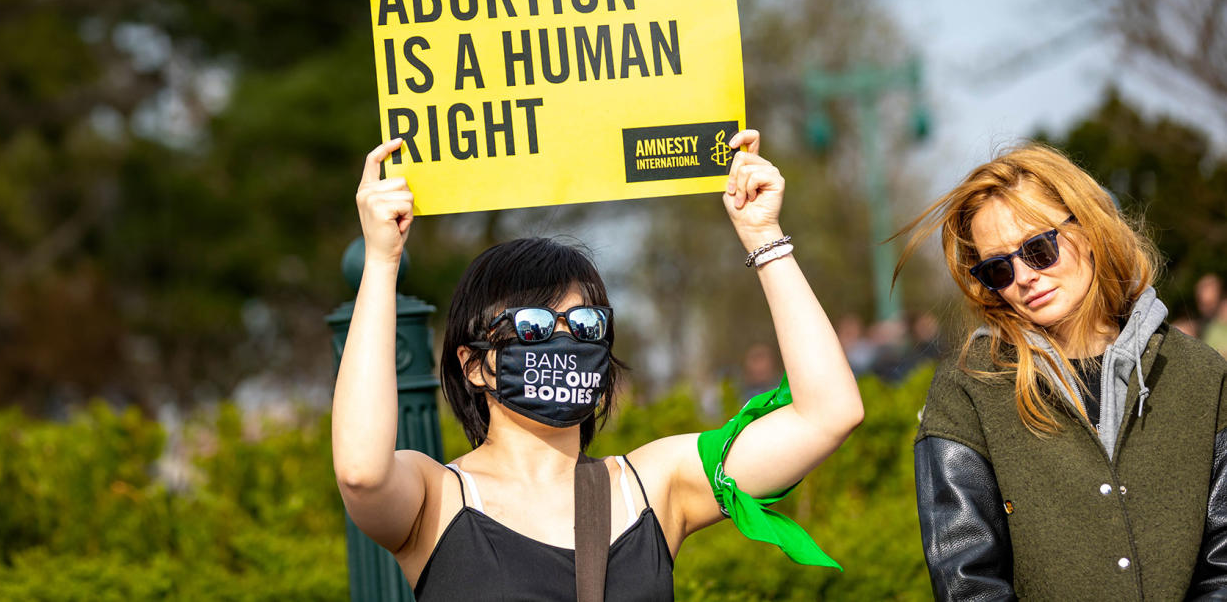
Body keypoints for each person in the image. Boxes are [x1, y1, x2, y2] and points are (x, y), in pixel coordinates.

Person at [333, 130, 864, 600]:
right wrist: (382, 262)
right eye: (534, 325)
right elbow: (360, 472)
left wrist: (764, 237)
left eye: (585, 324)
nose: (562, 341)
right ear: (473, 365)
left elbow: (827, 415)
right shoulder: (435, 499)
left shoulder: (652, 486)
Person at [896, 143, 1227, 601]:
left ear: (1089, 229)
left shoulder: (1202, 375)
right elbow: (968, 584)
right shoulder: (967, 391)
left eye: (1038, 248)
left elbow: (1222, 567)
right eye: (998, 269)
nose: (1024, 277)